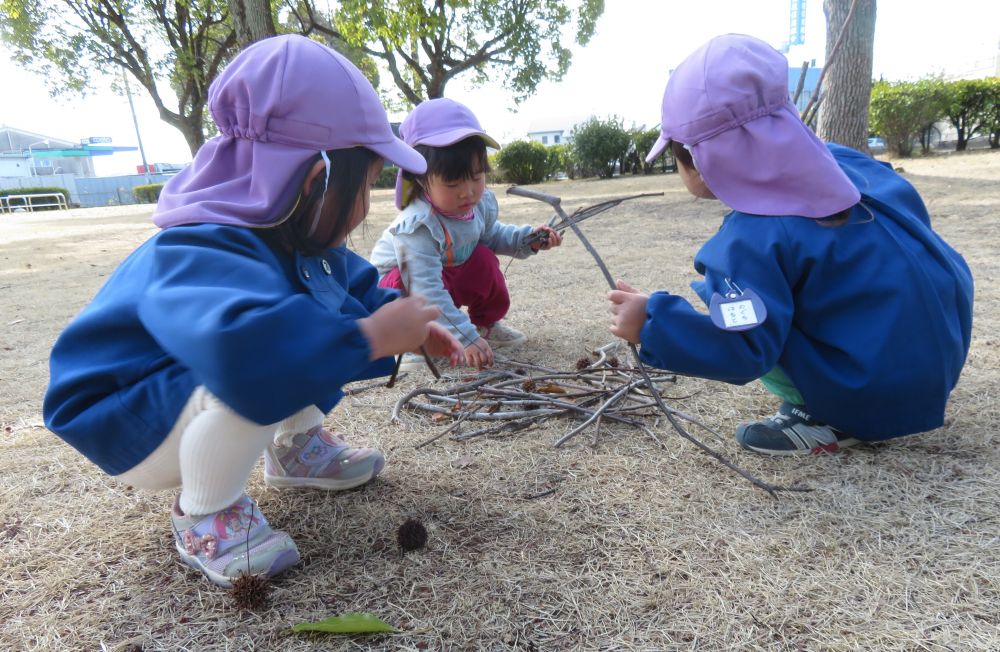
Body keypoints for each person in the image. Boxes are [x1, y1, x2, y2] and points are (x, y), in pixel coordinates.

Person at [42, 35, 462, 588]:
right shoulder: (201, 246)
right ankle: (205, 515)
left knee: (302, 327)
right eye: (366, 186)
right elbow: (246, 350)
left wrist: (406, 325)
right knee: (273, 353)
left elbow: (355, 291)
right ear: (318, 180)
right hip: (125, 416)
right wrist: (370, 337)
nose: (366, 206)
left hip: (181, 381)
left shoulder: (293, 238)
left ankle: (296, 448)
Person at [607, 34, 973, 456]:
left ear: (703, 162)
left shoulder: (753, 239)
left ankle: (830, 420)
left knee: (762, 318)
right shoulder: (857, 167)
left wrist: (652, 322)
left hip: (872, 392)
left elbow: (743, 346)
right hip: (936, 363)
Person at [369, 98, 562, 370]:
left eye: (476, 177)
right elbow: (425, 289)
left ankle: (486, 325)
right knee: (404, 283)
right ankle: (413, 342)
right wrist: (463, 336)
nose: (467, 191)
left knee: (482, 257)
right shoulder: (418, 225)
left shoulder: (477, 205)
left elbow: (491, 235)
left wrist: (528, 239)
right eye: (452, 183)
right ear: (421, 178)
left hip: (443, 278)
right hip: (400, 288)